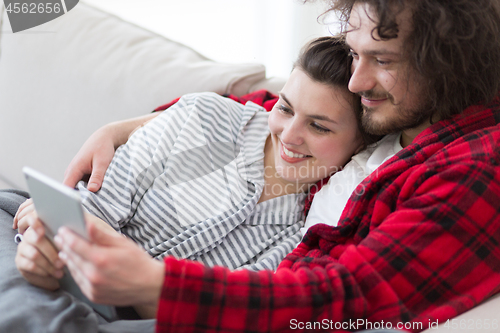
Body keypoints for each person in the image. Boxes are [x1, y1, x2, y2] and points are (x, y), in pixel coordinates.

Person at [16, 0, 500, 331]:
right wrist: (131, 126)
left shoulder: (475, 169)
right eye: (355, 54)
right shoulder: (401, 109)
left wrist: (154, 284)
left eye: (382, 59)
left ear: (447, 61)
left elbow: (349, 300)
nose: (356, 80)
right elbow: (267, 107)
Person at [14, 36, 373, 316]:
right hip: (55, 257)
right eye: (285, 108)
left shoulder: (309, 232)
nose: (290, 135)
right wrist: (41, 250)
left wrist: (112, 260)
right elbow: (90, 207)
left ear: (359, 144)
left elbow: (213, 313)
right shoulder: (204, 117)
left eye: (318, 127)